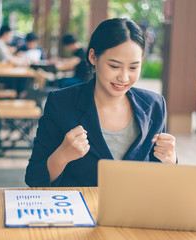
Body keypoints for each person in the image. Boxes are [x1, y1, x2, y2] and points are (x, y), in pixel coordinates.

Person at [25, 18, 177, 187]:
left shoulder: (154, 105)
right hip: (80, 210)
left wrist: (170, 161)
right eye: (114, 66)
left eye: (133, 67)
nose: (124, 77)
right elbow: (34, 179)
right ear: (93, 57)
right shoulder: (61, 103)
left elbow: (161, 181)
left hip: (134, 211)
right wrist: (62, 156)